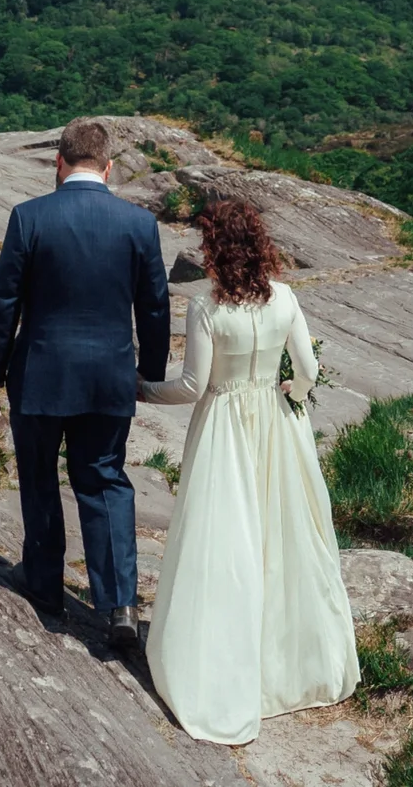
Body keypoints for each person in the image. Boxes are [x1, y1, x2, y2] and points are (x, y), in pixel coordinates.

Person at [140, 196, 357, 745]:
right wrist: (295, 392)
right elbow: (308, 368)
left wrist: (139, 389)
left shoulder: (207, 306)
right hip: (279, 426)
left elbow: (192, 386)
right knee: (283, 539)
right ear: (259, 244)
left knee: (224, 542)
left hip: (225, 429)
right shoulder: (285, 298)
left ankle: (223, 666)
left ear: (215, 248)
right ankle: (291, 669)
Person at [0, 116, 171, 650]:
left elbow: (5, 304)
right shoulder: (138, 225)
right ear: (108, 168)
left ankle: (44, 587)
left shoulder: (29, 217)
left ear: (58, 164)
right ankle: (120, 606)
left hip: (39, 375)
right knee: (105, 481)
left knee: (39, 478)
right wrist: (147, 375)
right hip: (109, 379)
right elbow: (155, 308)